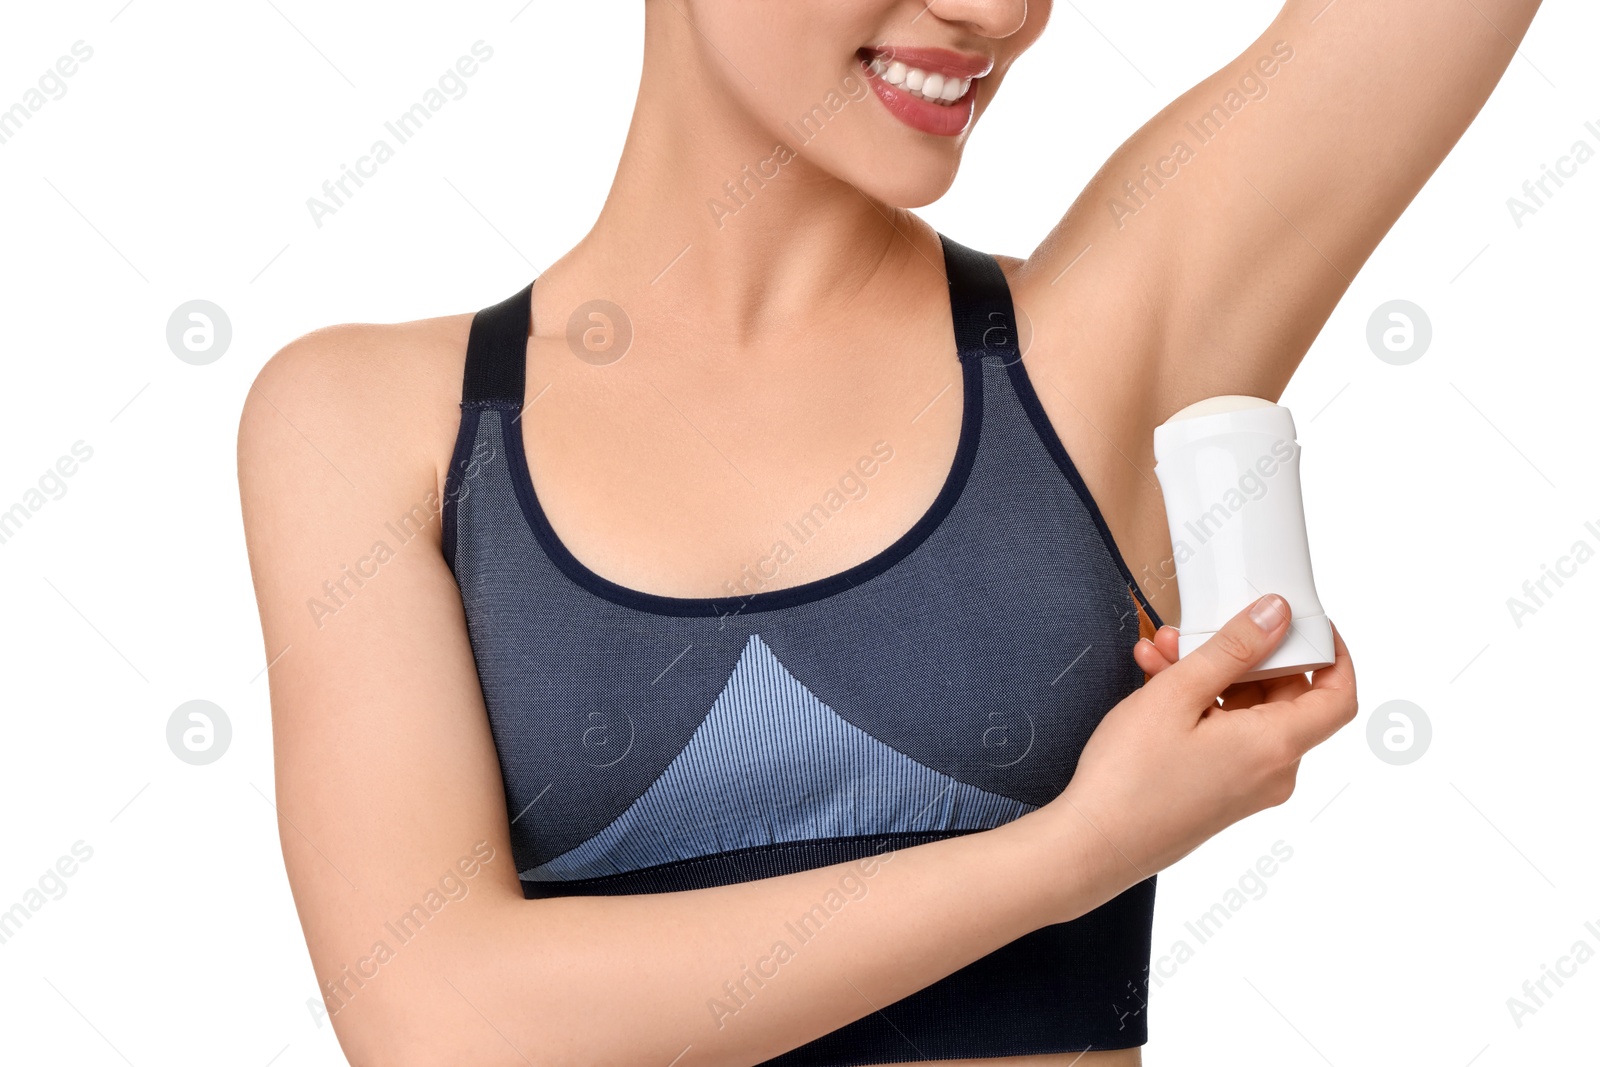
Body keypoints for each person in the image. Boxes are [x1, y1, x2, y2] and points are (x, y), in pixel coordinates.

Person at [238, 1, 1538, 1063]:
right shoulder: (371, 425)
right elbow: (442, 1028)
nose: (1000, 13)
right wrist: (1071, 857)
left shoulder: (1099, 351)